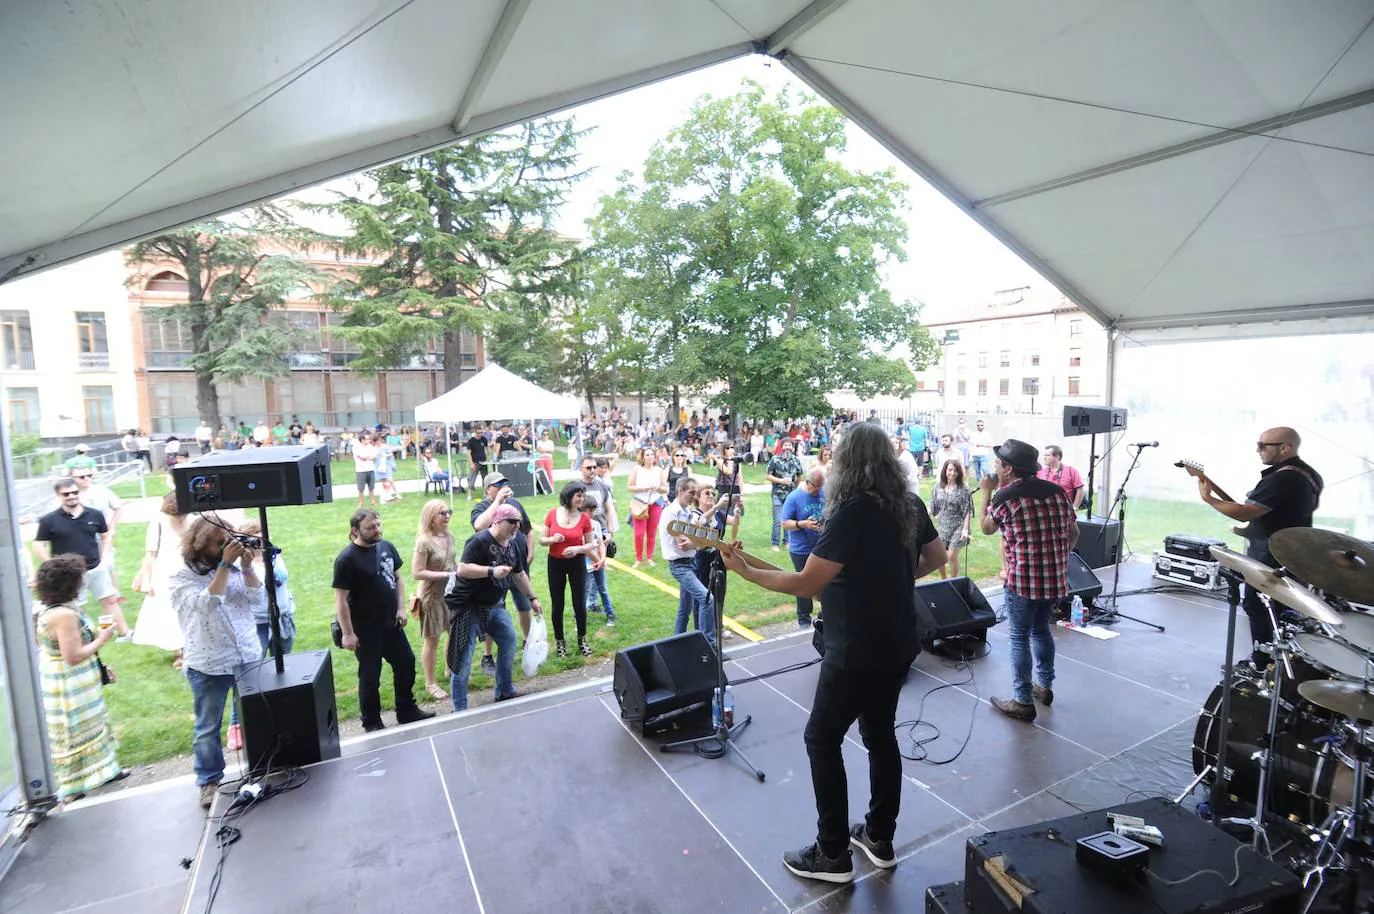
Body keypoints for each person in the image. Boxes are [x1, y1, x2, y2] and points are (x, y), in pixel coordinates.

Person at [719, 421, 945, 883]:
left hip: (856, 648)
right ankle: (879, 838)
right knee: (880, 734)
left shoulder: (851, 512)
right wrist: (894, 582)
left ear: (848, 463)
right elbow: (937, 558)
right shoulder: (908, 503)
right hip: (900, 640)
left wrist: (742, 570)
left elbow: (806, 583)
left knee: (821, 740)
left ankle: (832, 854)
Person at [1197, 426, 1323, 665]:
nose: (1258, 450)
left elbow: (1245, 512)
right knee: (1279, 612)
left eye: (1263, 445)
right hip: (1292, 553)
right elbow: (1280, 514)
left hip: (1272, 558)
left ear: (1285, 448)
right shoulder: (1307, 473)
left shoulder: (1284, 478)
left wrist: (1208, 498)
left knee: (1259, 608)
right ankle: (1282, 660)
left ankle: (1262, 663)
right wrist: (1248, 530)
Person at [979, 439, 1078, 723]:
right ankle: (1044, 687)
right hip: (1054, 581)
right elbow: (1074, 533)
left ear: (1008, 469)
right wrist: (1058, 557)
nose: (996, 467)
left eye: (998, 464)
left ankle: (1023, 701)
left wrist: (986, 493)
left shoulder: (1006, 497)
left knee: (1019, 638)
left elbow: (986, 529)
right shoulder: (1058, 492)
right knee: (1041, 632)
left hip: (1022, 582)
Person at [170, 520, 265, 809]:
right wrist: (224, 566)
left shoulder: (236, 568)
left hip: (246, 654)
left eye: (228, 540)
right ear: (200, 545)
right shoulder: (181, 577)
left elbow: (257, 598)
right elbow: (207, 603)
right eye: (218, 542)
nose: (226, 546)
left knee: (256, 717)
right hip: (209, 663)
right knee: (208, 727)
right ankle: (209, 781)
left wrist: (247, 568)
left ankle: (261, 767)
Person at [33, 554, 127, 803]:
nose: (83, 583)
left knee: (92, 724)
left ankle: (105, 771)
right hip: (69, 683)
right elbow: (72, 656)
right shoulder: (64, 615)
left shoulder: (52, 609)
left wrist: (101, 667)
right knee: (74, 731)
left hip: (75, 679)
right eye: (79, 579)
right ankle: (72, 788)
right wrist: (103, 639)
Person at [331, 510, 436, 732]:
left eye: (378, 525)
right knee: (370, 676)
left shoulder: (387, 547)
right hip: (365, 629)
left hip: (391, 624)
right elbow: (340, 600)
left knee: (406, 663)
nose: (377, 530)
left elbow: (398, 579)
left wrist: (401, 609)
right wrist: (348, 633)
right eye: (370, 527)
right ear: (355, 531)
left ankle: (406, 711)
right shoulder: (346, 559)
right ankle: (372, 722)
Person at [447, 504, 541, 709]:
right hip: (468, 605)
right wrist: (491, 571)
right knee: (463, 655)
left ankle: (504, 690)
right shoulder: (479, 541)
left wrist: (533, 598)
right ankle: (460, 707)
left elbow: (519, 573)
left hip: (494, 604)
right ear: (497, 521)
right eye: (512, 522)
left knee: (509, 640)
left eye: (519, 522)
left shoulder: (513, 543)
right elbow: (462, 569)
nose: (517, 526)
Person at [32, 478, 129, 637]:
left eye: (75, 492)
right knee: (74, 607)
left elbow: (106, 536)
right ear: (58, 496)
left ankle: (124, 633)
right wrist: (51, 565)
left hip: (96, 567)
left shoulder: (94, 514)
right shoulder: (49, 520)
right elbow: (38, 545)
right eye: (66, 494)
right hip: (69, 574)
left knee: (110, 601)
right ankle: (81, 637)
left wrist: (104, 559)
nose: (71, 496)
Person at [472, 471, 536, 663]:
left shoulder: (515, 504)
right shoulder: (482, 507)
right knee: (494, 609)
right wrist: (498, 502)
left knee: (524, 605)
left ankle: (528, 643)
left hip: (518, 566)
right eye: (497, 485)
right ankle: (487, 655)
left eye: (505, 483)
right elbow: (479, 526)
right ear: (487, 489)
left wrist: (530, 552)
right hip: (494, 570)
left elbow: (529, 530)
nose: (503, 487)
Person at [541, 482, 597, 657]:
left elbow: (591, 544)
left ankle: (582, 640)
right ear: (568, 496)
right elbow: (542, 539)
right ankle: (560, 643)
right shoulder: (552, 514)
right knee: (557, 604)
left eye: (583, 495)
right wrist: (551, 540)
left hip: (577, 563)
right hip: (555, 563)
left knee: (579, 603)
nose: (582, 499)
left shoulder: (584, 518)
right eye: (578, 496)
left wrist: (577, 549)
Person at [659, 478, 716, 649]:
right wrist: (704, 541)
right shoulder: (671, 514)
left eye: (696, 493)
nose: (694, 497)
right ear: (679, 491)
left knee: (685, 608)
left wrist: (702, 539)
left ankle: (678, 643)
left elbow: (698, 536)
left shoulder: (687, 513)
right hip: (680, 566)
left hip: (690, 564)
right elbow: (684, 544)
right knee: (708, 599)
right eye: (691, 492)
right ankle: (709, 645)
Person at [412, 500, 456, 701]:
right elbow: (417, 572)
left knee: (453, 632)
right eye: (442, 513)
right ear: (431, 517)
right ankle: (431, 683)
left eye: (449, 512)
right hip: (432, 596)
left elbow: (452, 563)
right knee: (432, 639)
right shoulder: (424, 541)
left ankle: (450, 669)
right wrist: (445, 576)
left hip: (450, 593)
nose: (447, 516)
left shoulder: (449, 536)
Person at [779, 467, 826, 628]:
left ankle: (825, 616)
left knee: (826, 583)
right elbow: (784, 523)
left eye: (821, 486)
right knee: (804, 584)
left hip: (821, 547)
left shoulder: (824, 494)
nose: (818, 490)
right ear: (808, 482)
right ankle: (804, 620)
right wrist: (803, 524)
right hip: (801, 549)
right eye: (815, 486)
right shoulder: (795, 497)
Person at [578, 457, 618, 623]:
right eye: (589, 468)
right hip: (582, 535)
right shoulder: (576, 486)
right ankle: (586, 606)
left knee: (599, 576)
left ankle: (594, 604)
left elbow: (609, 509)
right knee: (586, 578)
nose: (593, 470)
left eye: (595, 467)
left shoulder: (602, 485)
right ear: (581, 468)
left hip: (600, 530)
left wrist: (609, 531)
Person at [930, 460, 973, 579]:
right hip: (943, 526)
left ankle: (954, 580)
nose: (953, 473)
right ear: (945, 471)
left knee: (951, 556)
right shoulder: (938, 487)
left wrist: (965, 529)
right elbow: (933, 508)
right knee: (939, 557)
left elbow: (968, 511)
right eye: (950, 470)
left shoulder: (964, 490)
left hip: (959, 526)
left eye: (955, 470)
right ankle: (944, 580)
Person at [628, 446, 668, 568]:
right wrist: (642, 488)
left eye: (652, 454)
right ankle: (638, 558)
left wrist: (658, 488)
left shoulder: (659, 470)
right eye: (647, 454)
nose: (650, 457)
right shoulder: (637, 469)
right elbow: (629, 486)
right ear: (643, 457)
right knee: (639, 533)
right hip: (640, 503)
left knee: (652, 532)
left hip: (655, 503)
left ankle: (649, 557)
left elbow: (665, 488)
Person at [766, 437, 804, 552]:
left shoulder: (796, 461)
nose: (787, 447)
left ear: (792, 447)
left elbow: (799, 476)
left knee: (788, 518)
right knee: (777, 520)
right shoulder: (775, 459)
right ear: (781, 447)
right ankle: (775, 543)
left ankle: (787, 542)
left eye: (789, 445)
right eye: (785, 445)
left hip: (791, 494)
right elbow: (767, 475)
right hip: (777, 494)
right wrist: (781, 481)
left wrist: (795, 487)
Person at [1037, 446, 1085, 510]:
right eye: (1044, 455)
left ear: (1057, 457)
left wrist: (1074, 508)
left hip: (1065, 511)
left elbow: (1080, 490)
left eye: (1047, 455)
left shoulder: (1071, 471)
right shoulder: (1040, 473)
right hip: (1046, 511)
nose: (1044, 458)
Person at [714, 443, 744, 540]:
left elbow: (740, 479)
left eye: (732, 447)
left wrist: (742, 494)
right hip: (724, 491)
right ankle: (719, 538)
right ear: (724, 450)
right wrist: (730, 460)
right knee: (722, 517)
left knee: (736, 515)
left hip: (735, 490)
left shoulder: (737, 462)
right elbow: (728, 472)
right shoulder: (720, 461)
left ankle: (733, 540)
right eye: (728, 448)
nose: (730, 449)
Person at [352, 432, 379, 508]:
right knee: (361, 488)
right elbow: (361, 457)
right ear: (362, 440)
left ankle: (373, 501)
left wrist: (368, 458)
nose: (369, 440)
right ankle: (361, 502)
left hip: (370, 469)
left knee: (371, 487)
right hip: (361, 470)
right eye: (367, 439)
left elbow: (374, 456)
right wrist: (368, 457)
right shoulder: (356, 447)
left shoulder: (371, 447)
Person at [465, 426, 490, 498]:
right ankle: (469, 494)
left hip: (484, 462)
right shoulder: (471, 441)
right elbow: (468, 453)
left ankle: (485, 494)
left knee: (485, 478)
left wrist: (488, 457)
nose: (479, 434)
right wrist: (471, 464)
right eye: (478, 433)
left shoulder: (484, 439)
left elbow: (487, 449)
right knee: (472, 478)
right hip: (475, 462)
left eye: (481, 433)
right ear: (474, 432)